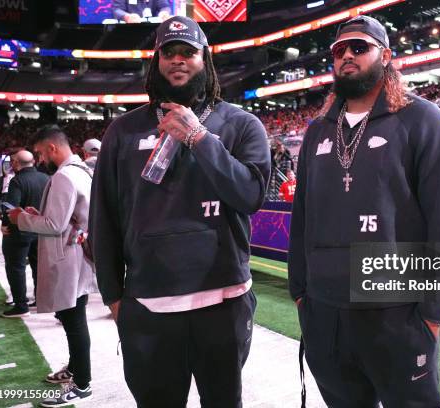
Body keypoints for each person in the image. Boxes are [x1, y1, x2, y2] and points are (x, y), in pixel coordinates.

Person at [288, 15, 440, 408]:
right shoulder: (318, 130)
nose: (347, 56)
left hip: (397, 314)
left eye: (359, 47)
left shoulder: (423, 119)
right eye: (339, 50)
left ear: (385, 55)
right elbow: (301, 219)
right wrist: (301, 294)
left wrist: (432, 315)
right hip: (325, 315)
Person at [89, 16, 270, 408]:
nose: (178, 60)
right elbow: (104, 218)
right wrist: (113, 295)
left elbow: (251, 195)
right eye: (168, 53)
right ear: (156, 62)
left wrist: (199, 138)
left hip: (224, 300)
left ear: (204, 59)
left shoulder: (242, 124)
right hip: (150, 305)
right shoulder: (122, 130)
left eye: (187, 52)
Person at [8, 125, 97, 406]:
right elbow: (64, 218)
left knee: (73, 321)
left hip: (68, 256)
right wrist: (39, 214)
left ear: (52, 148)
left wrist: (20, 217)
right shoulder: (81, 171)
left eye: (40, 153)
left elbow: (54, 225)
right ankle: (75, 369)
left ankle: (82, 384)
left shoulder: (65, 177)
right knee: (74, 317)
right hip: (75, 253)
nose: (40, 159)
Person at [1, 150, 49, 317]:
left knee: (16, 267)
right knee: (39, 267)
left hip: (20, 231)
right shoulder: (46, 178)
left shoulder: (17, 181)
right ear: (34, 162)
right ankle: (41, 299)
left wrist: (5, 225)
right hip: (41, 230)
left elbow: (11, 207)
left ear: (15, 163)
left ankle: (21, 305)